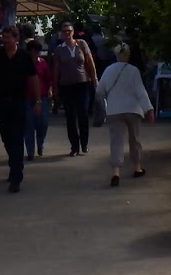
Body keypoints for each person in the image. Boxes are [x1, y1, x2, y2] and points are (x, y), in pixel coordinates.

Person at [0, 26, 39, 193]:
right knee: (6, 138)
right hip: (1, 103)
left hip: (18, 102)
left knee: (16, 137)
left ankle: (16, 176)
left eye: (8, 37)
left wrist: (37, 100)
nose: (5, 40)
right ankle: (14, 164)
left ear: (16, 38)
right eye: (3, 37)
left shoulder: (24, 56)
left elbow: (33, 77)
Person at [95, 44, 154, 187]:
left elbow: (99, 91)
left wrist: (108, 100)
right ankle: (137, 168)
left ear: (116, 55)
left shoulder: (108, 70)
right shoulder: (134, 71)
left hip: (115, 109)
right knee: (134, 139)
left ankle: (116, 172)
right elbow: (141, 92)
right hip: (133, 109)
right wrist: (149, 109)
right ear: (128, 55)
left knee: (116, 142)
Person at [51, 20, 97, 156]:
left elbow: (89, 61)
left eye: (69, 31)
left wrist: (94, 79)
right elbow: (56, 69)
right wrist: (55, 86)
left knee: (83, 113)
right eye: (64, 32)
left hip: (83, 84)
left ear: (73, 32)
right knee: (70, 117)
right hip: (66, 85)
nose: (67, 34)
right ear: (61, 34)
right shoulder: (59, 49)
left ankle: (84, 143)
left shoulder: (81, 44)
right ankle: (74, 146)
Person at [22, 37, 53, 160]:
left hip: (42, 96)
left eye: (37, 52)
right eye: (33, 52)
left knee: (43, 122)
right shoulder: (23, 64)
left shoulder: (43, 63)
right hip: (26, 98)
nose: (35, 55)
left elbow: (49, 78)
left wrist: (50, 89)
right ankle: (30, 151)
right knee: (28, 124)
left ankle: (40, 143)